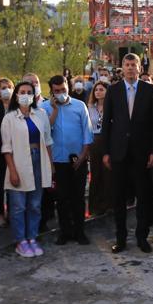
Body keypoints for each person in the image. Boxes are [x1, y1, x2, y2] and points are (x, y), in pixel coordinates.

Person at [102, 53, 153, 253]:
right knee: (118, 199)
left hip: (141, 153)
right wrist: (106, 152)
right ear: (122, 67)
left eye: (133, 64)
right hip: (118, 153)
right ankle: (121, 238)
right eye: (127, 65)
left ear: (139, 67)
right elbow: (107, 124)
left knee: (143, 197)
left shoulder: (150, 90)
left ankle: (142, 237)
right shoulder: (113, 90)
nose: (130, 68)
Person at [1, 81, 54, 258]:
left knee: (35, 204)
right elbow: (6, 148)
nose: (25, 95)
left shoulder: (41, 114)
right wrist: (13, 171)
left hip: (38, 160)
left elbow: (47, 140)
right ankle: (20, 240)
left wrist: (51, 166)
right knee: (18, 205)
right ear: (16, 95)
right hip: (18, 161)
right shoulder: (9, 118)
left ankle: (32, 237)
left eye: (29, 92)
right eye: (22, 92)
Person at [46, 75, 94, 245]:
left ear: (69, 86)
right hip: (58, 162)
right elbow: (45, 134)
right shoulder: (45, 107)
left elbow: (88, 133)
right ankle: (64, 231)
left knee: (78, 198)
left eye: (63, 89)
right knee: (62, 198)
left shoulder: (80, 106)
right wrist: (54, 110)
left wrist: (83, 156)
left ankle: (80, 231)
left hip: (78, 160)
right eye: (56, 91)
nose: (61, 93)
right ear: (51, 91)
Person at [86, 80, 112, 218]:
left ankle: (109, 205)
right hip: (94, 141)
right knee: (95, 174)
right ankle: (95, 206)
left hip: (107, 140)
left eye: (101, 89)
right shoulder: (89, 107)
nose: (98, 92)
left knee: (108, 173)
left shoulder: (112, 106)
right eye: (96, 90)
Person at [0, 78, 15, 227]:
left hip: (16, 151)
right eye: (3, 88)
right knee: (0, 184)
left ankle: (13, 211)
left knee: (14, 183)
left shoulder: (18, 108)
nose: (7, 90)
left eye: (9, 87)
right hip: (0, 151)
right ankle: (0, 213)